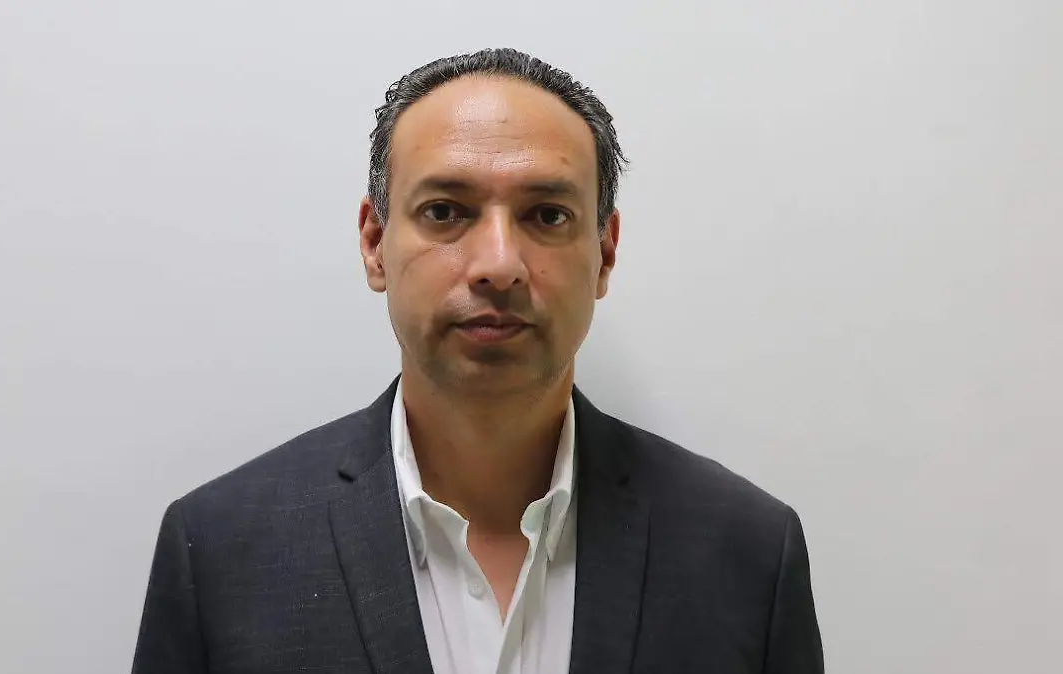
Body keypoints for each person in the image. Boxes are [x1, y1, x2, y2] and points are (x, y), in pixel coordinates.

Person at [132, 48, 823, 674]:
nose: (498, 264)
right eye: (445, 211)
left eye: (546, 215)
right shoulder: (219, 552)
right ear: (374, 243)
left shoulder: (748, 554)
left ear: (605, 253)